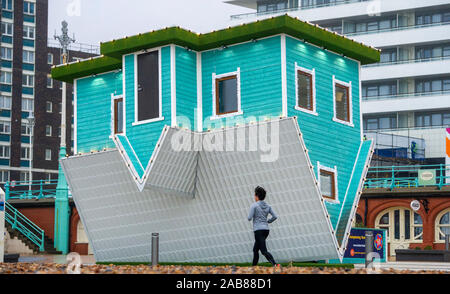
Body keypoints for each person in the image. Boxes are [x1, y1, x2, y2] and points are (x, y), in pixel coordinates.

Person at [247, 186, 278, 266]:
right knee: (255, 249)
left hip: (258, 230)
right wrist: (268, 221)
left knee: (263, 251)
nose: (254, 197)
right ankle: (253, 267)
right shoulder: (268, 206)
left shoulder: (254, 205)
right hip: (266, 230)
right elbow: (275, 216)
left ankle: (275, 265)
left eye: (254, 195)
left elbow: (249, 218)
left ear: (257, 196)